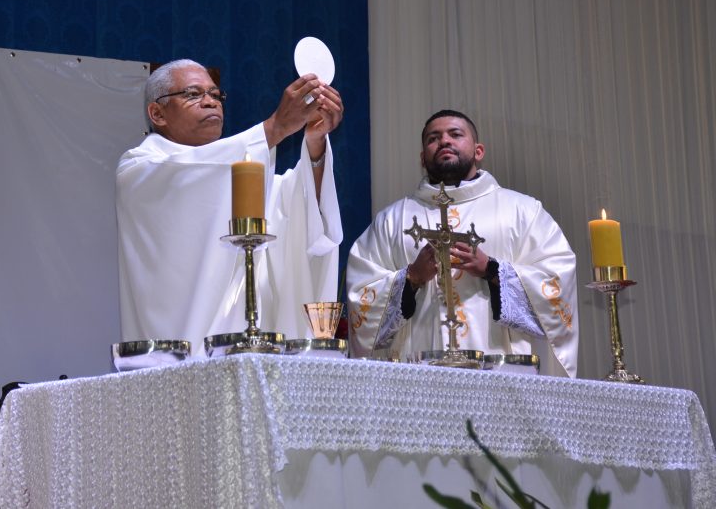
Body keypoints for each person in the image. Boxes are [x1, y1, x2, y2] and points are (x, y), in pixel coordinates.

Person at [116, 59, 344, 355]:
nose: (211, 101)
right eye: (194, 94)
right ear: (157, 113)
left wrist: (314, 143)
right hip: (180, 358)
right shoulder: (139, 168)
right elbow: (191, 176)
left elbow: (300, 211)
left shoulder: (239, 171)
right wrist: (277, 126)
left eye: (215, 94)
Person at [346, 110, 577, 377]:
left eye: (455, 134)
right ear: (422, 158)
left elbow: (557, 280)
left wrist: (492, 270)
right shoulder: (392, 220)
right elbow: (361, 292)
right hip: (417, 370)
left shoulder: (522, 211)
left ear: (478, 151)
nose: (444, 141)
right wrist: (411, 278)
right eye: (434, 138)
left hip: (499, 371)